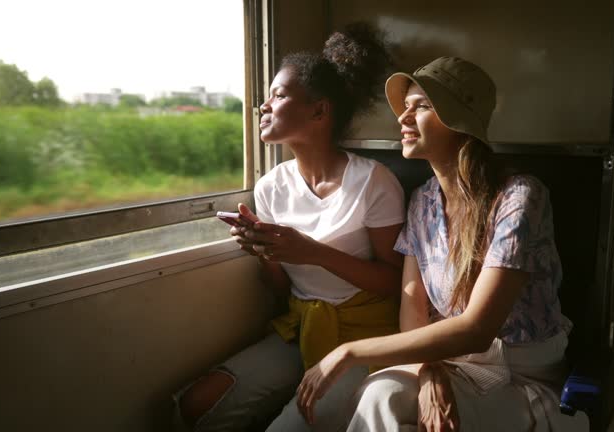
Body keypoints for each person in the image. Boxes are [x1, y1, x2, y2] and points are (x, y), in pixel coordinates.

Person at [295, 57, 589, 431]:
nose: (403, 118)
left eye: (422, 107)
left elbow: (477, 330)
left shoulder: (519, 197)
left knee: (386, 401)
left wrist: (348, 352)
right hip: (450, 365)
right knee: (380, 392)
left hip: (522, 379)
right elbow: (413, 316)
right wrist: (430, 375)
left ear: (460, 121)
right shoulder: (423, 202)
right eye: (405, 107)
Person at [174, 24, 405, 432]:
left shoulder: (373, 181)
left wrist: (312, 251)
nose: (263, 106)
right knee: (197, 405)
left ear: (319, 111)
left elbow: (395, 283)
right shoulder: (271, 187)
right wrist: (266, 252)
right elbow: (282, 291)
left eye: (278, 96)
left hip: (363, 334)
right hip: (301, 325)